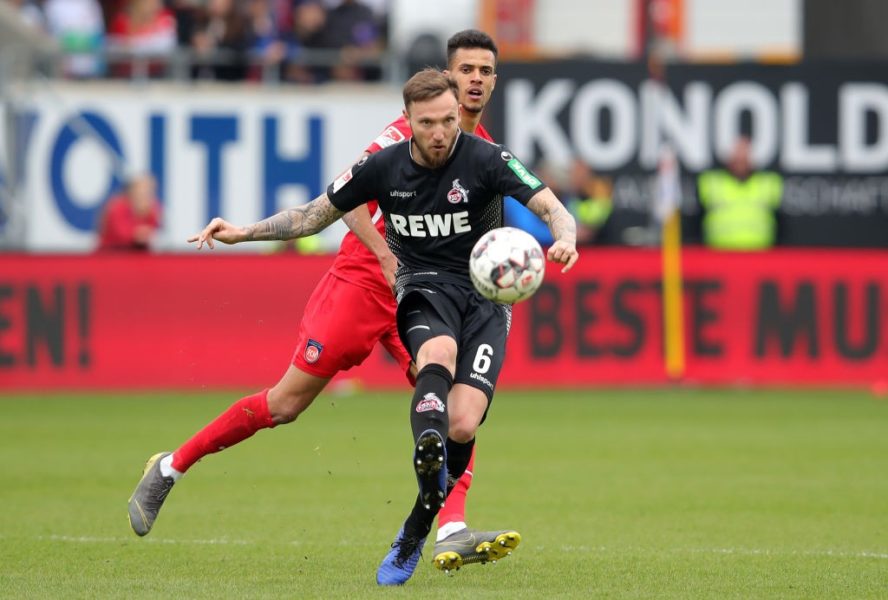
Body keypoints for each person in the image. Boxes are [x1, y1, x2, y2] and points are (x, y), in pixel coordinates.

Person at [128, 30, 520, 580]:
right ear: (446, 81)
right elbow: (344, 202)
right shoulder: (402, 134)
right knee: (285, 404)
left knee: (455, 403)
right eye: (464, 72)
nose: (474, 80)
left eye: (484, 71)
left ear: (492, 82)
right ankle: (170, 466)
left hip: (432, 294)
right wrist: (386, 258)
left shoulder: (480, 149)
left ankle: (451, 524)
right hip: (364, 284)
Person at [185, 69, 579, 585]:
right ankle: (427, 455)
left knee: (463, 424)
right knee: (436, 355)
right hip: (422, 286)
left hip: (485, 298)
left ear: (457, 114)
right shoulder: (382, 166)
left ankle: (420, 521)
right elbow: (311, 217)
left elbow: (551, 206)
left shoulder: (488, 158)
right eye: (427, 123)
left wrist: (565, 237)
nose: (440, 133)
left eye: (447, 120)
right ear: (408, 122)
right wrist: (243, 233)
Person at [697, 135, 783, 250]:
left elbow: (784, 225)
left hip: (760, 256)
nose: (740, 159)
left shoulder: (769, 183)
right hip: (718, 256)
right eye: (737, 154)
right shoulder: (710, 183)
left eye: (744, 154)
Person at [96, 173, 162, 251]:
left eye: (149, 191)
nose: (145, 194)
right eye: (142, 190)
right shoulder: (117, 207)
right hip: (112, 253)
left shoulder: (153, 208)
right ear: (132, 191)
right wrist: (137, 234)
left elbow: (150, 233)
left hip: (138, 255)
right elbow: (121, 234)